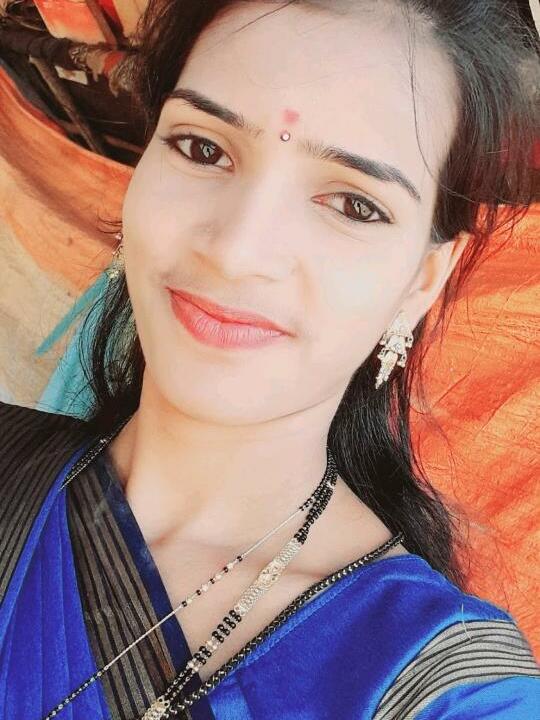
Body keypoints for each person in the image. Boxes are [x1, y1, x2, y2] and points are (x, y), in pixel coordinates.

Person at [0, 1, 539, 718]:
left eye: (352, 204)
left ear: (423, 280)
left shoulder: (450, 692)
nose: (236, 250)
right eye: (202, 148)